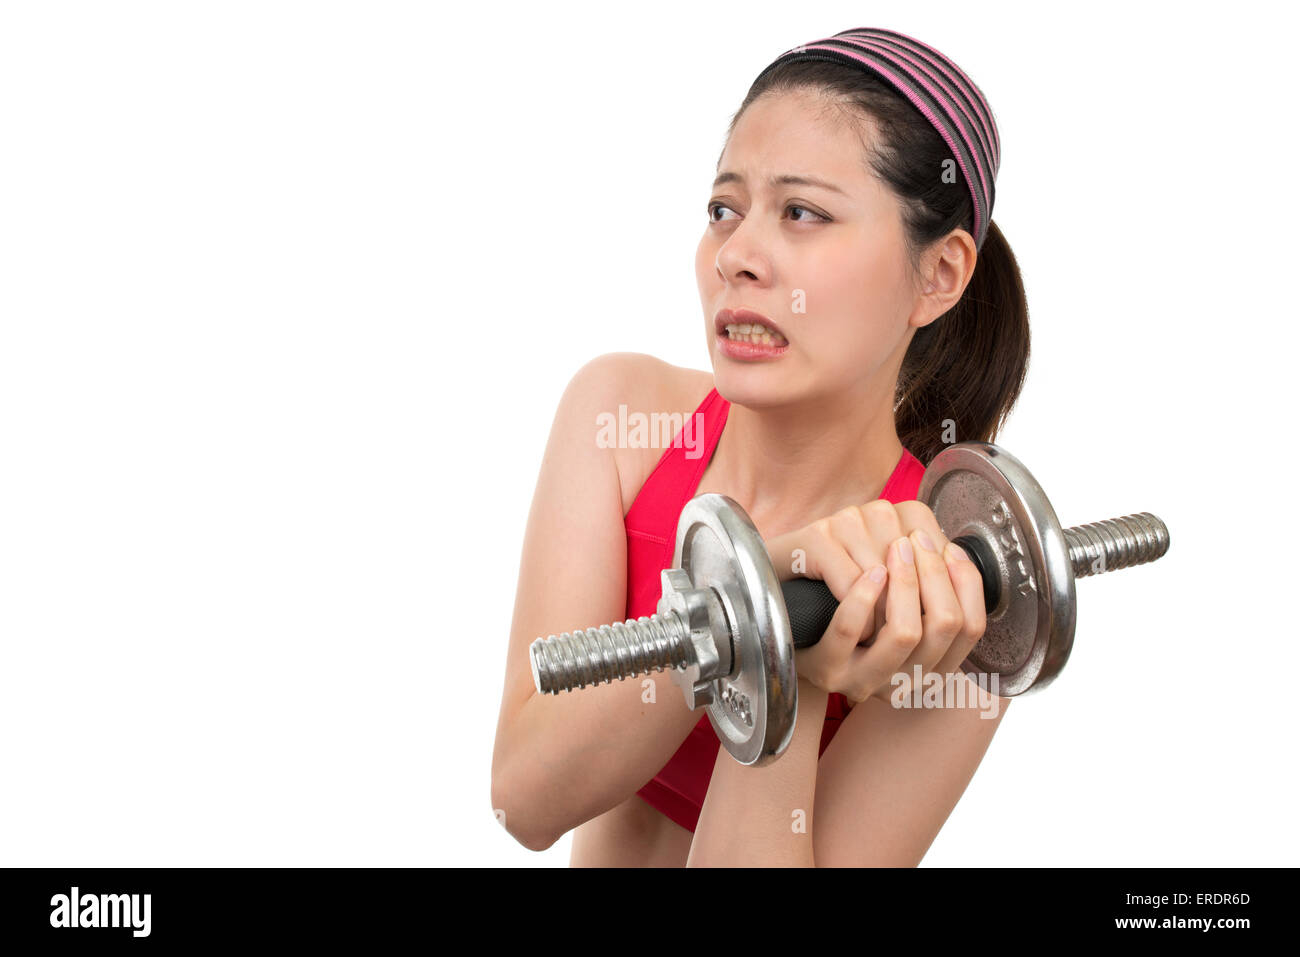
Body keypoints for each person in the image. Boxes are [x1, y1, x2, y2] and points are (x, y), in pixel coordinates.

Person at [491, 27, 1027, 866]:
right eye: (723, 210)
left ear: (940, 276)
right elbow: (524, 800)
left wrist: (800, 668)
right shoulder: (622, 419)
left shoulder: (953, 591)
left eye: (802, 212)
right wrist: (758, 592)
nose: (735, 257)